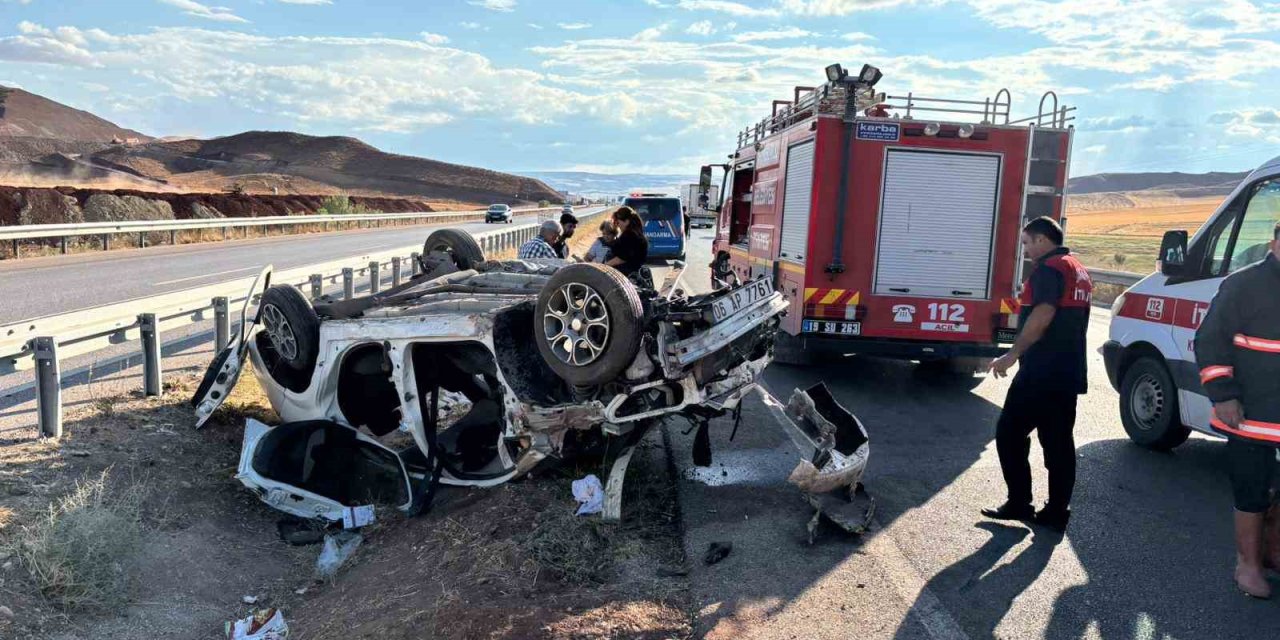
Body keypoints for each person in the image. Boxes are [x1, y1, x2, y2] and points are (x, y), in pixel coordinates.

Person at [982, 216, 1093, 533]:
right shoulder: (1077, 269)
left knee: (1010, 434)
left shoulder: (1049, 269)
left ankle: (1020, 502)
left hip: (1041, 371)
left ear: (1043, 240)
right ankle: (1057, 511)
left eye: (1028, 242)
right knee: (1058, 442)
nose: (1027, 249)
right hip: (1067, 371)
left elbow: (1044, 313)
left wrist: (1012, 354)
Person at [1194, 220, 1280, 599]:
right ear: (1276, 241)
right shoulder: (1244, 284)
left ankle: (1273, 553)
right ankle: (1247, 565)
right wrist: (1223, 394)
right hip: (1252, 415)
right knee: (1252, 491)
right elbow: (1209, 341)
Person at [605, 206, 648, 276]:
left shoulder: (629, 236)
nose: (618, 226)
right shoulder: (636, 234)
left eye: (618, 223)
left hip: (625, 273)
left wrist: (604, 267)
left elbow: (621, 258)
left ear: (626, 222)